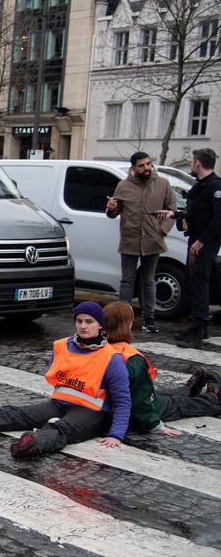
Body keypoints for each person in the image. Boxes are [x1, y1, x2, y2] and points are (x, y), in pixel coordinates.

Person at [0, 301, 131, 459]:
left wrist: (116, 435)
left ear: (100, 326)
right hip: (59, 404)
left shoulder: (111, 358)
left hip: (91, 413)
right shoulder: (63, 346)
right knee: (13, 414)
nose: (83, 326)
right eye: (79, 321)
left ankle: (33, 444)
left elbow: (122, 401)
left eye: (89, 322)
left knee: (59, 429)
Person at [104, 301, 220, 434]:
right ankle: (212, 399)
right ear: (128, 324)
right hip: (131, 412)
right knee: (178, 404)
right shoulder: (131, 358)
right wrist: (155, 425)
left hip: (111, 407)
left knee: (162, 394)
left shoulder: (99, 348)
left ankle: (187, 389)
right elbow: (141, 402)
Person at [105, 151, 176, 334]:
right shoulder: (123, 185)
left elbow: (172, 210)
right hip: (130, 239)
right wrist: (111, 209)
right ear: (133, 168)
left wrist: (162, 230)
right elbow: (114, 212)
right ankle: (124, 320)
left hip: (153, 240)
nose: (146, 168)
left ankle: (149, 318)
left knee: (149, 280)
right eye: (141, 165)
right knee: (127, 280)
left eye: (148, 164)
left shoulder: (162, 184)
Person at [167, 148, 221, 348]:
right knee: (194, 281)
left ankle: (199, 330)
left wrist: (201, 241)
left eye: (192, 161)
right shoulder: (201, 186)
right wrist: (174, 215)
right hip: (196, 240)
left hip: (204, 243)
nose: (191, 164)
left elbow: (218, 220)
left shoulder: (215, 186)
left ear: (198, 163)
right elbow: (195, 213)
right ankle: (198, 326)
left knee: (199, 282)